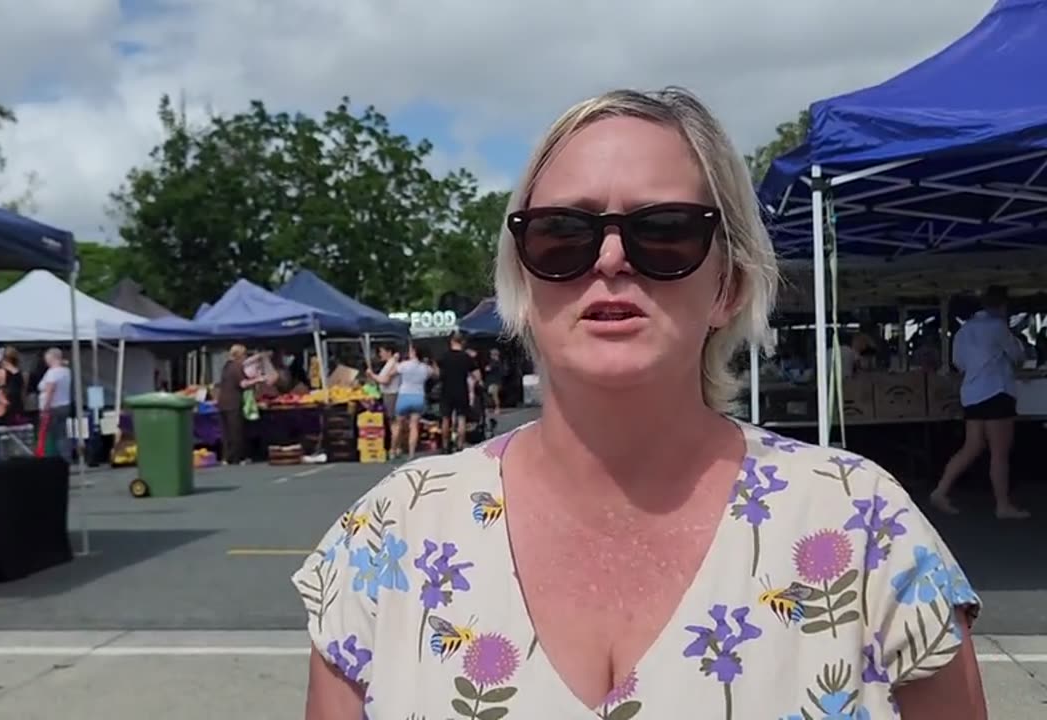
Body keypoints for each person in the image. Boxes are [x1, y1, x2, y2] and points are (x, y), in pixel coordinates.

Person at [293, 88, 984, 719]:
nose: (612, 260)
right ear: (524, 280)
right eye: (562, 233)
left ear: (729, 286)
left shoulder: (862, 525)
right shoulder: (393, 533)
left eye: (666, 231)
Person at [931, 286, 1029, 519]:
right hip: (996, 391)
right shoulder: (998, 327)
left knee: (972, 446)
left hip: (972, 393)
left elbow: (959, 363)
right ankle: (1003, 505)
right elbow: (1017, 355)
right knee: (1000, 452)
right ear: (1003, 306)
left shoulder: (963, 332)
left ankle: (941, 490)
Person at [387, 344, 434, 460]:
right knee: (414, 426)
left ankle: (393, 450)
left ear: (413, 352)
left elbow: (390, 373)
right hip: (418, 396)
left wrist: (394, 360)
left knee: (397, 424)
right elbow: (435, 374)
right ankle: (412, 453)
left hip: (404, 395)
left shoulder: (404, 365)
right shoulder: (425, 368)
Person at [219, 344, 263, 465]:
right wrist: (258, 380)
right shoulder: (236, 367)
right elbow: (243, 384)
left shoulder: (226, 366)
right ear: (239, 356)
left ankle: (226, 457)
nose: (245, 357)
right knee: (236, 431)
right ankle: (237, 457)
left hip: (222, 402)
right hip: (233, 402)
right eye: (244, 354)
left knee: (226, 432)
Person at [437, 333, 477, 452]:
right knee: (461, 418)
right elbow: (476, 375)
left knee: (445, 418)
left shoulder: (444, 357)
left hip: (446, 390)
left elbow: (438, 373)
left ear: (452, 342)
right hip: (461, 390)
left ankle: (445, 446)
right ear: (462, 342)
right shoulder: (466, 357)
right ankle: (460, 445)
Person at [37, 348, 74, 464]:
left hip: (53, 407)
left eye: (47, 358)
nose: (46, 361)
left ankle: (54, 460)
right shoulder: (66, 371)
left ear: (51, 358)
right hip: (64, 405)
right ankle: (66, 458)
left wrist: (45, 407)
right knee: (62, 434)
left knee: (51, 435)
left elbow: (50, 390)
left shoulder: (53, 372)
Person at [368, 345, 401, 457]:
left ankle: (393, 448)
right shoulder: (390, 364)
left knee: (394, 423)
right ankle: (396, 447)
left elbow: (385, 380)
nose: (380, 354)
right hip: (389, 394)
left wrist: (372, 375)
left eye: (381, 351)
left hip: (391, 395)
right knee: (393, 422)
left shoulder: (393, 364)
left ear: (389, 352)